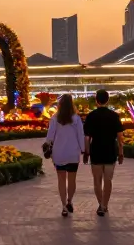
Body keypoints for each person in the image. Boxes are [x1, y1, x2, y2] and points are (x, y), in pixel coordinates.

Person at [83, 88, 124, 217]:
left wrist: (87, 152)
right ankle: (104, 205)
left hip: (96, 150)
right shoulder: (114, 116)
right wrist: (121, 152)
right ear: (108, 100)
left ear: (96, 100)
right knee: (108, 180)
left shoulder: (91, 116)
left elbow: (87, 137)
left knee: (97, 180)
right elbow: (120, 137)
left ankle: (100, 204)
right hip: (110, 150)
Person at [44, 94, 85, 217]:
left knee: (61, 180)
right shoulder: (76, 119)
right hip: (73, 153)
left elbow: (50, 137)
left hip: (59, 153)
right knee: (72, 180)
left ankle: (63, 206)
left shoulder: (55, 118)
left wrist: (47, 147)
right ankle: (69, 201)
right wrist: (83, 150)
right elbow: (80, 136)